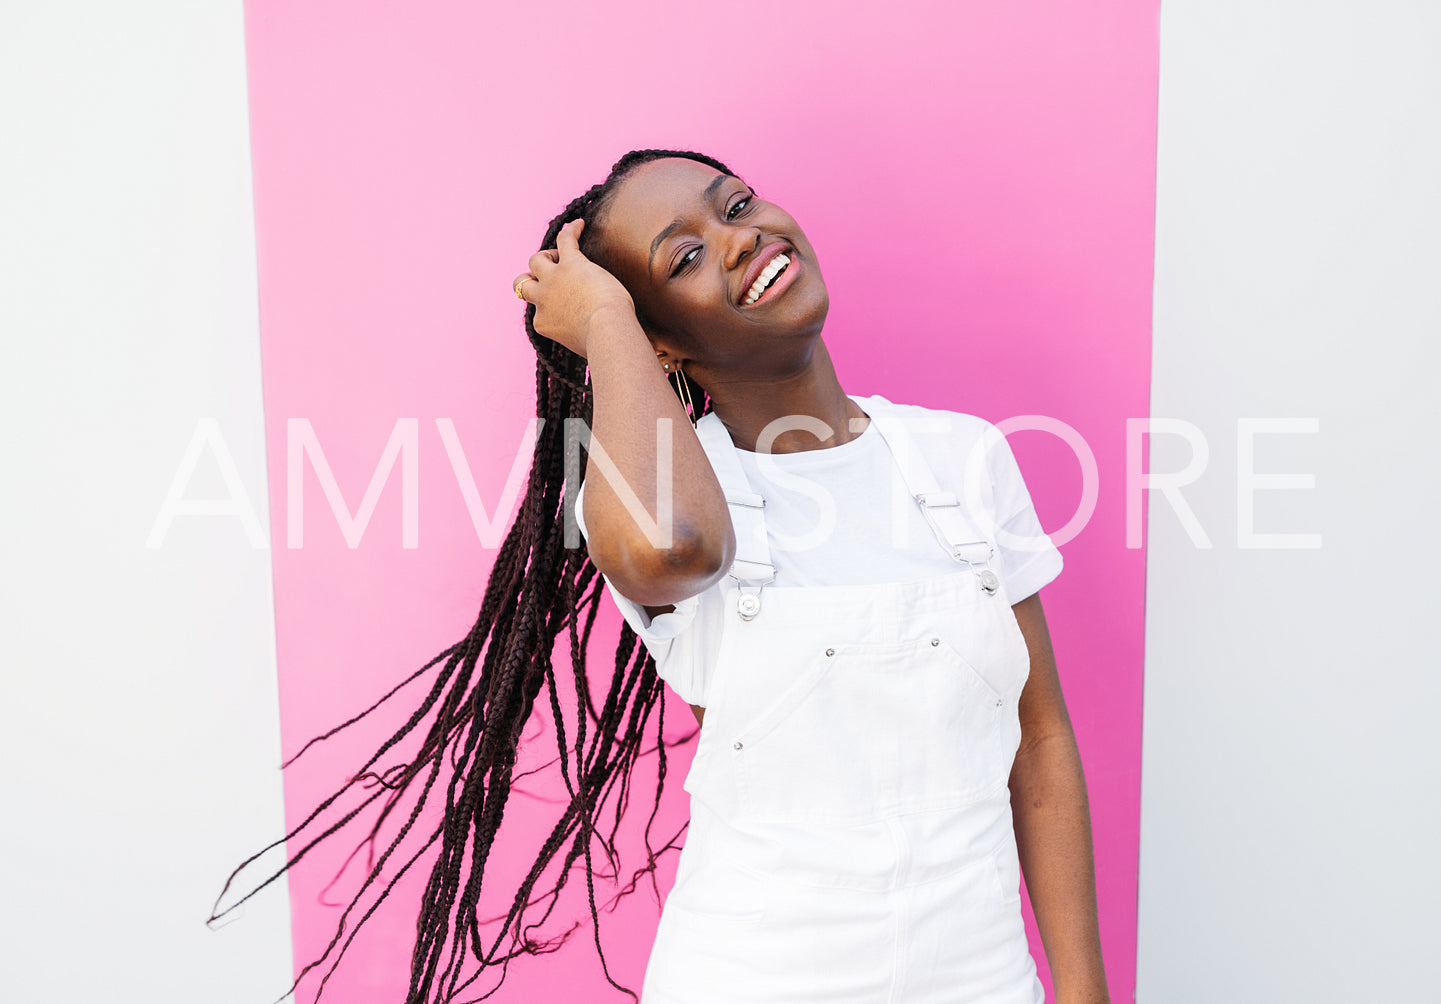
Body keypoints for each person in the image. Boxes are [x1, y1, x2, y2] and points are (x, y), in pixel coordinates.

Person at [214, 148, 1110, 1004]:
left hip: (983, 980)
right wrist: (607, 320)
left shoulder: (964, 459)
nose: (740, 237)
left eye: (736, 202)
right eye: (685, 257)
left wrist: (1084, 990)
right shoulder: (647, 496)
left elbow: (1039, 740)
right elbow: (677, 551)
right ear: (662, 347)